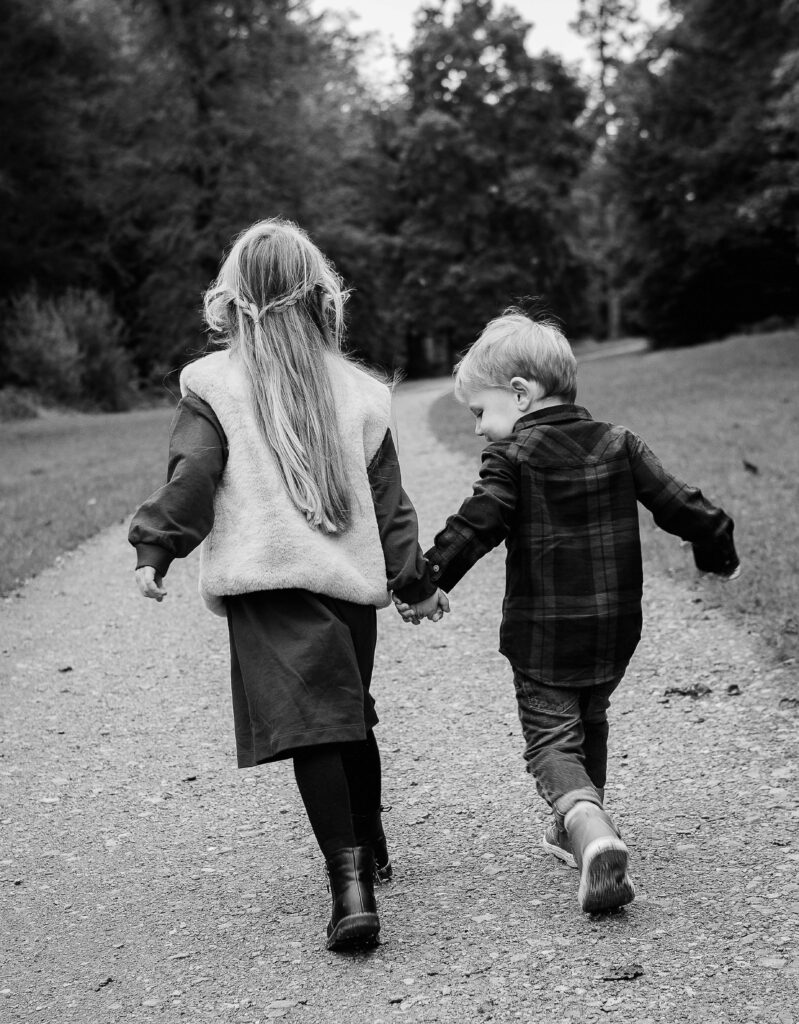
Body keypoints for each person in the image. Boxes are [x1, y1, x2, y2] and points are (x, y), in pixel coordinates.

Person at [129, 218, 449, 950]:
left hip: (269, 585)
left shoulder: (214, 386)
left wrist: (155, 546)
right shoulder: (360, 391)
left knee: (317, 729)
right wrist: (414, 583)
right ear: (319, 296)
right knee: (349, 714)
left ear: (233, 300)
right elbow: (390, 504)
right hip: (347, 586)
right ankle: (371, 842)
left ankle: (351, 889)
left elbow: (193, 474)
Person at [395, 308, 740, 915]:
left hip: (543, 637)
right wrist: (717, 548)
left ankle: (587, 827)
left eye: (480, 412)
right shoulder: (619, 442)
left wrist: (426, 579)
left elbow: (477, 523)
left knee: (552, 739)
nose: (477, 430)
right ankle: (578, 824)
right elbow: (679, 503)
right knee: (590, 716)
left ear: (520, 394)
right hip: (613, 631)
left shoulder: (512, 455)